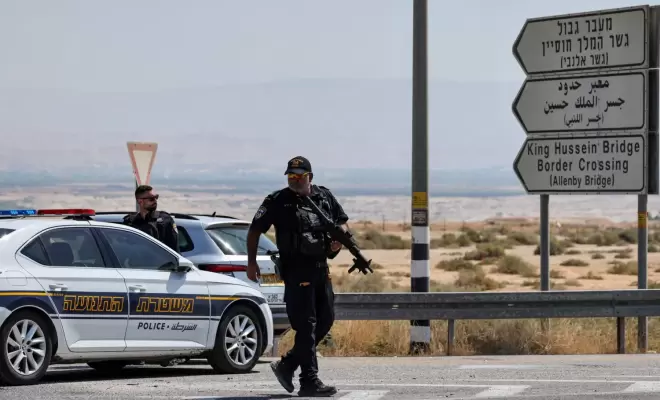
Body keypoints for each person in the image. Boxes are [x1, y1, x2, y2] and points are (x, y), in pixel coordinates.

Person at [246, 156, 349, 397]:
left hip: (321, 268)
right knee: (306, 325)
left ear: (309, 177)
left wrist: (339, 240)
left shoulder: (324, 196)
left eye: (299, 176)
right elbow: (254, 231)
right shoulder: (277, 201)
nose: (295, 180)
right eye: (291, 176)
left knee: (325, 320)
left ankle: (289, 364)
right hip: (296, 269)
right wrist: (251, 262)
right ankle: (309, 381)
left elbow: (343, 223)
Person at [123, 184, 180, 253]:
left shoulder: (165, 220)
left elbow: (174, 249)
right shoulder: (130, 222)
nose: (155, 201)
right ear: (140, 201)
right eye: (151, 199)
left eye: (156, 197)